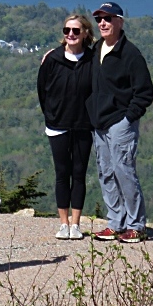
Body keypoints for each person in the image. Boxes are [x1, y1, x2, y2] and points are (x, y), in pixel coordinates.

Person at [86, 2, 153, 244]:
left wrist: (128, 118)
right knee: (106, 173)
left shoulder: (130, 54)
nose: (102, 23)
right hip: (99, 123)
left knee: (124, 172)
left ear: (120, 22)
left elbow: (145, 92)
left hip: (120, 123)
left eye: (108, 18)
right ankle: (116, 223)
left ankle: (136, 226)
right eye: (99, 19)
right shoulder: (97, 49)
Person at [37, 13, 96, 241]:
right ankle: (63, 223)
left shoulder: (93, 60)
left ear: (85, 34)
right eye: (67, 30)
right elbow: (42, 90)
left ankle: (76, 224)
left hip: (83, 125)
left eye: (75, 31)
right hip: (58, 125)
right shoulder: (52, 59)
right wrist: (51, 114)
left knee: (79, 174)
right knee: (62, 174)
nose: (70, 34)